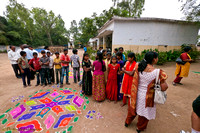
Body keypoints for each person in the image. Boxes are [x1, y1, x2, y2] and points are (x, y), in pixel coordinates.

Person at [125, 51, 168, 133]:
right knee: (144, 114)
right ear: (154, 59)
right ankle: (139, 128)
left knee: (132, 109)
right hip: (148, 96)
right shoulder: (158, 72)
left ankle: (127, 122)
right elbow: (164, 88)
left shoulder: (139, 66)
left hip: (137, 93)